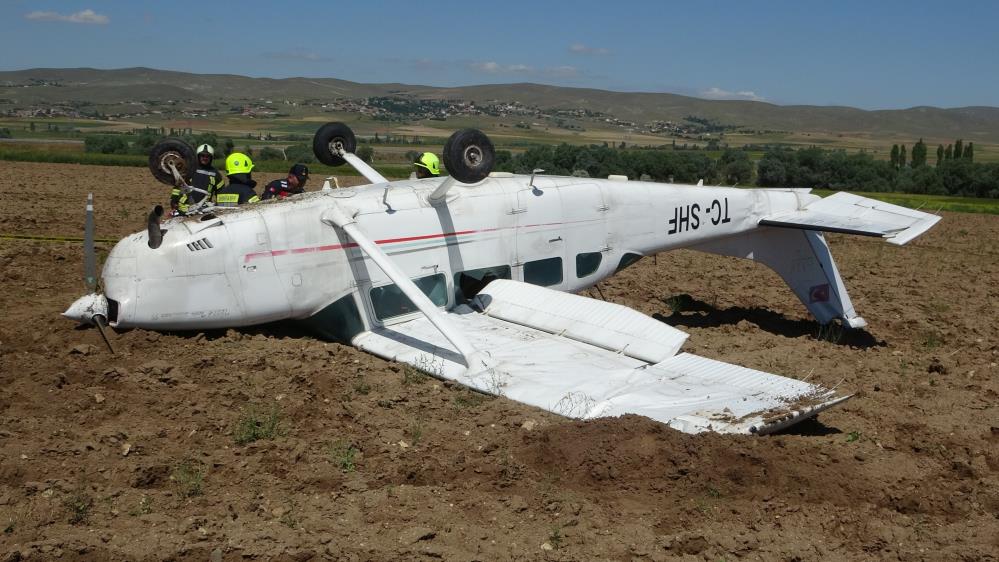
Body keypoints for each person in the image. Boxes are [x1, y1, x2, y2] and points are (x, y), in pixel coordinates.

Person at [170, 143, 224, 215]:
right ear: (198, 156)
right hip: (183, 210)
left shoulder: (216, 174)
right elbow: (179, 185)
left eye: (207, 156)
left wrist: (219, 206)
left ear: (211, 158)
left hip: (203, 211)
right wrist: (174, 199)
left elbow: (221, 193)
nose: (205, 158)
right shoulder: (189, 169)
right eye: (202, 155)